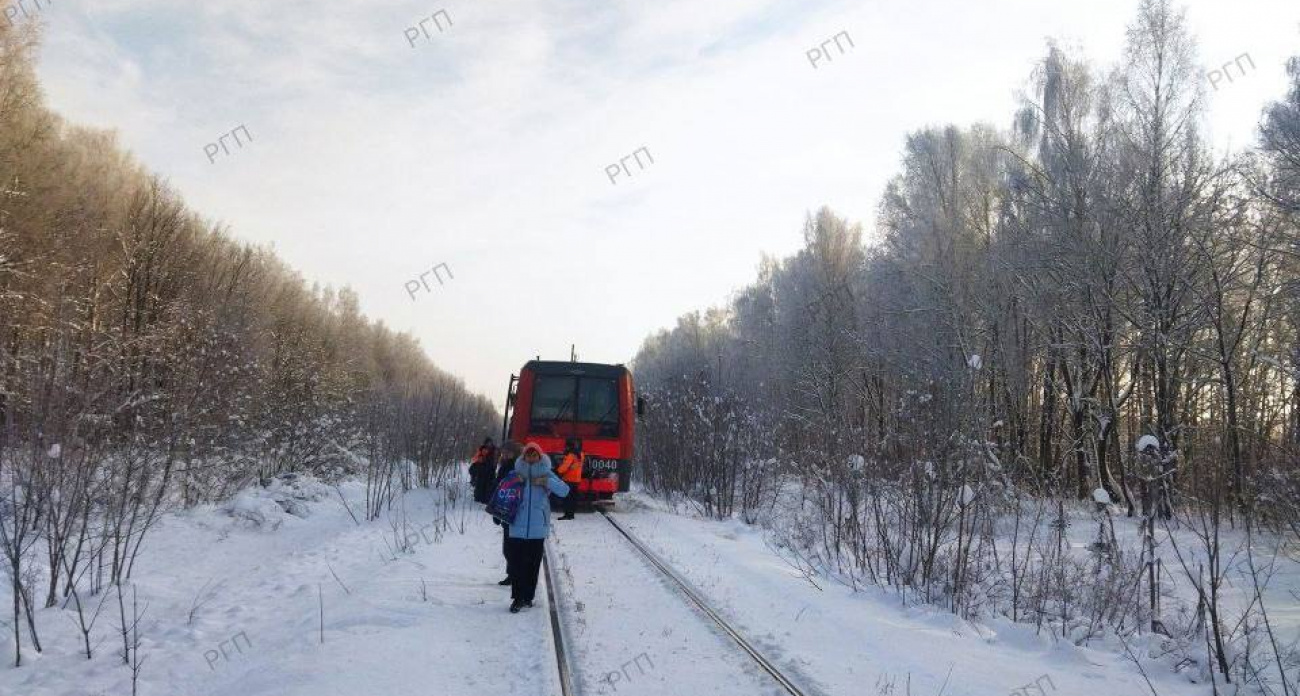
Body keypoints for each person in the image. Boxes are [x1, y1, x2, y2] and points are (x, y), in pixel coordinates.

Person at [506, 442, 570, 613]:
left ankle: (528, 597)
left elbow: (564, 491)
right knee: (517, 564)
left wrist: (546, 482)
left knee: (532, 566)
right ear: (524, 456)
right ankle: (517, 599)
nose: (531, 458)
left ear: (539, 457)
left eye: (535, 455)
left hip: (537, 529)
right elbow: (501, 490)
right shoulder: (516, 473)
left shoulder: (546, 473)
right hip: (516, 526)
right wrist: (514, 481)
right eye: (528, 454)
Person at [491, 440, 522, 586]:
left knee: (512, 547)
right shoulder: (504, 465)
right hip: (504, 508)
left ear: (513, 452)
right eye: (503, 451)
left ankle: (515, 575)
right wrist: (496, 512)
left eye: (506, 452)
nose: (503, 454)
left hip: (513, 509)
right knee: (508, 547)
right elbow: (499, 487)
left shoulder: (517, 466)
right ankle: (512, 574)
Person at [554, 438, 585, 520]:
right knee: (573, 498)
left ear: (569, 446)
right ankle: (571, 514)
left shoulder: (571, 455)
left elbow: (564, 468)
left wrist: (557, 470)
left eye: (566, 446)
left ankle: (567, 515)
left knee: (567, 498)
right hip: (577, 480)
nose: (565, 448)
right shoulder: (581, 454)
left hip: (568, 480)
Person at [469, 438, 498, 504]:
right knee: (478, 499)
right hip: (479, 483)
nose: (485, 451)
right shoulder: (479, 457)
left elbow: (491, 469)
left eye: (490, 444)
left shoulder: (493, 455)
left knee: (486, 499)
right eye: (487, 444)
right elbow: (471, 470)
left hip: (488, 482)